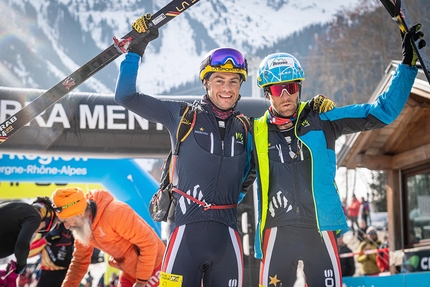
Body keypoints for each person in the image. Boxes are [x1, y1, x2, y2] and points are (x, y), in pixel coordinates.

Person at [252, 25, 421, 287]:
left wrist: (407, 67)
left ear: (299, 87)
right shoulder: (256, 131)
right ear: (266, 92)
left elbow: (381, 112)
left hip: (320, 228)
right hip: (278, 230)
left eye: (292, 86)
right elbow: (232, 173)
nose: (286, 95)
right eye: (277, 89)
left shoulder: (323, 120)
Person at [114, 20, 255, 286]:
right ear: (206, 83)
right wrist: (135, 51)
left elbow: (251, 173)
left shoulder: (245, 127)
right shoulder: (182, 115)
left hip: (227, 239)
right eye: (219, 80)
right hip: (184, 237)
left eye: (234, 81)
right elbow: (126, 97)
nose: (227, 88)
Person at [51, 187, 165, 287]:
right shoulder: (82, 227)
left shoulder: (115, 213)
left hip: (156, 264)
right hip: (129, 271)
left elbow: (149, 243)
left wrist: (141, 281)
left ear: (79, 214)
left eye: (66, 221)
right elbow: (79, 262)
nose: (66, 226)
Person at [0, 197, 56, 277]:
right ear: (46, 218)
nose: (38, 231)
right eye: (44, 228)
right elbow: (21, 246)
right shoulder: (35, 217)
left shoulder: (15, 206)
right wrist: (21, 265)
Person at [28, 222, 74, 287]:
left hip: (66, 273)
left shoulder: (73, 225)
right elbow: (29, 253)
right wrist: (46, 238)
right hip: (47, 274)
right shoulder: (45, 227)